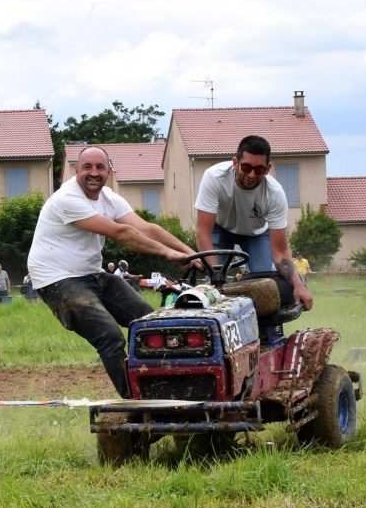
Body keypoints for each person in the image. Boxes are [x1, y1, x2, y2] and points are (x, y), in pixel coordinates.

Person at [27, 145, 201, 398]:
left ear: (109, 171)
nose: (94, 173)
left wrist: (190, 253)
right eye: (87, 167)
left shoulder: (109, 197)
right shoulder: (67, 199)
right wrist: (169, 254)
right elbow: (123, 234)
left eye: (100, 167)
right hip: (57, 278)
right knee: (109, 336)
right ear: (77, 170)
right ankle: (138, 403)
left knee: (152, 324)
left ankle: (169, 390)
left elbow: (146, 228)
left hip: (91, 273)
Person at [195, 135, 313, 310]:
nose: (251, 175)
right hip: (219, 230)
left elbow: (280, 252)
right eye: (246, 167)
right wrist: (216, 277)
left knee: (266, 288)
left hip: (256, 234)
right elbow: (203, 232)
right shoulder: (214, 177)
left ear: (267, 169)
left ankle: (266, 335)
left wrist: (298, 285)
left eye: (259, 170)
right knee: (213, 288)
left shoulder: (275, 193)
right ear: (235, 163)